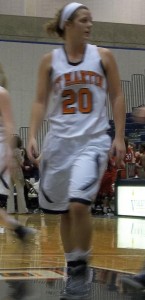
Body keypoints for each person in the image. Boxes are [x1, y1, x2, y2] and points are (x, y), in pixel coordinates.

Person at [27, 2, 126, 299]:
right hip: (58, 143)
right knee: (64, 212)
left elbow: (118, 95)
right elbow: (40, 101)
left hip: (92, 141)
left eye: (91, 20)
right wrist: (32, 134)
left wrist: (119, 136)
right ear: (68, 24)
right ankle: (74, 268)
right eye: (83, 20)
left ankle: (82, 267)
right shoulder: (49, 61)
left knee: (80, 204)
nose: (89, 25)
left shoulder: (103, 57)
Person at [0, 63, 36, 241]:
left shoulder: (1, 93)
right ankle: (17, 229)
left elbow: (8, 126)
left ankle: (17, 228)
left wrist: (9, 155)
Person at [7, 135, 28, 214]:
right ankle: (22, 210)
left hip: (9, 172)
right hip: (17, 172)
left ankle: (10, 210)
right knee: (20, 191)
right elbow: (21, 162)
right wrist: (22, 155)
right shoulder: (18, 150)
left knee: (10, 192)